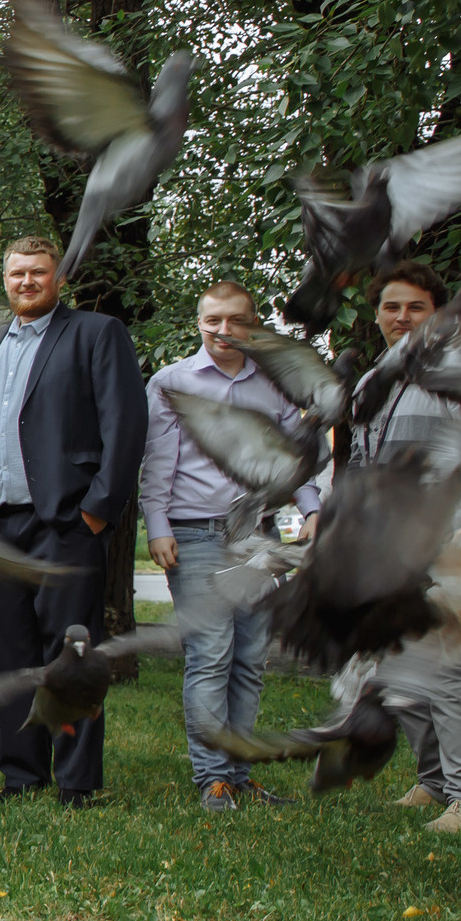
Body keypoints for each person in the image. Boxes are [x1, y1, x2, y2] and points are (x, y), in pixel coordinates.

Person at [0, 236, 144, 807]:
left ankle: (77, 783)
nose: (27, 282)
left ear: (59, 278)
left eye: (38, 273)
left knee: (71, 658)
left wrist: (96, 513)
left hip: (65, 524)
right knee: (11, 658)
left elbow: (126, 427)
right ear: (5, 279)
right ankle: (21, 776)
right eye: (17, 274)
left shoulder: (95, 333)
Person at [141, 280, 324, 812]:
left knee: (248, 657)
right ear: (199, 322)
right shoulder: (171, 382)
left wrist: (311, 507)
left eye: (236, 321)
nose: (224, 331)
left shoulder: (273, 384)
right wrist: (158, 524)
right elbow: (157, 464)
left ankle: (241, 776)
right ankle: (213, 778)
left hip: (258, 538)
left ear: (254, 325)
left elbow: (297, 459)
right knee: (211, 654)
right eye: (213, 320)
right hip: (195, 533)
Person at [345, 262, 461, 834]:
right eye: (392, 307)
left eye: (415, 307)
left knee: (450, 671)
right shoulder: (370, 383)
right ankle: (433, 782)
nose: (402, 318)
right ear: (378, 315)